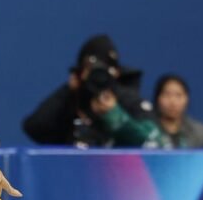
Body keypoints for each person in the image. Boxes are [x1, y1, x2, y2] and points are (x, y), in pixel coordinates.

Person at [22, 34, 164, 148]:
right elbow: (34, 128)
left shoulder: (127, 99)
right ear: (81, 73)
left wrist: (115, 114)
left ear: (116, 72)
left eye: (104, 71)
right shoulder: (72, 100)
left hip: (121, 174)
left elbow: (156, 142)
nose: (98, 77)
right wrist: (67, 90)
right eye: (91, 70)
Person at [153, 74, 203, 148]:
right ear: (157, 98)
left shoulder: (199, 134)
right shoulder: (147, 131)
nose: (172, 102)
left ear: (187, 99)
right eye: (167, 95)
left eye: (178, 95)